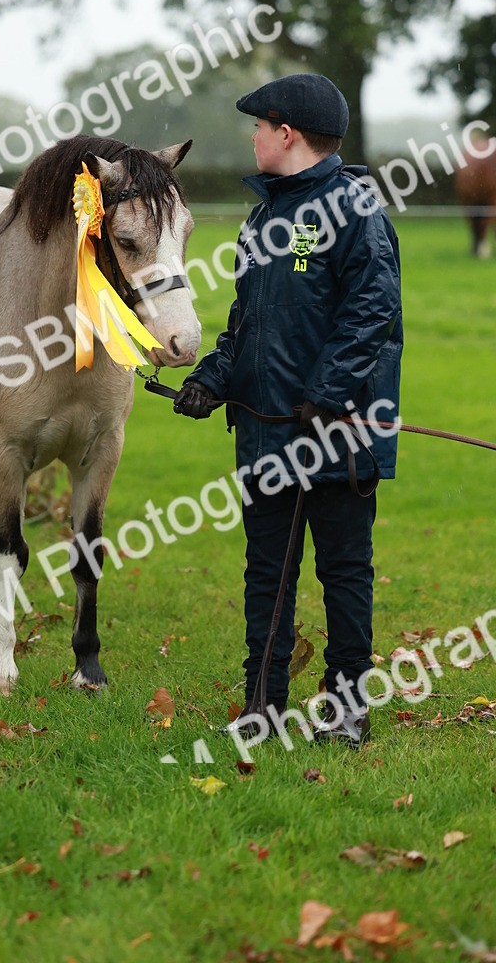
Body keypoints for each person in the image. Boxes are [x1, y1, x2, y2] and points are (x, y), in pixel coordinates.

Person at [174, 75, 402, 747]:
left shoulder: (356, 208)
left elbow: (373, 311)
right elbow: (249, 319)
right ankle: (263, 704)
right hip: (268, 432)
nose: (252, 137)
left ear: (287, 133)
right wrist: (213, 378)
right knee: (267, 570)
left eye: (259, 126)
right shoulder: (265, 216)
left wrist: (331, 396)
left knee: (344, 571)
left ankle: (348, 707)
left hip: (339, 434)